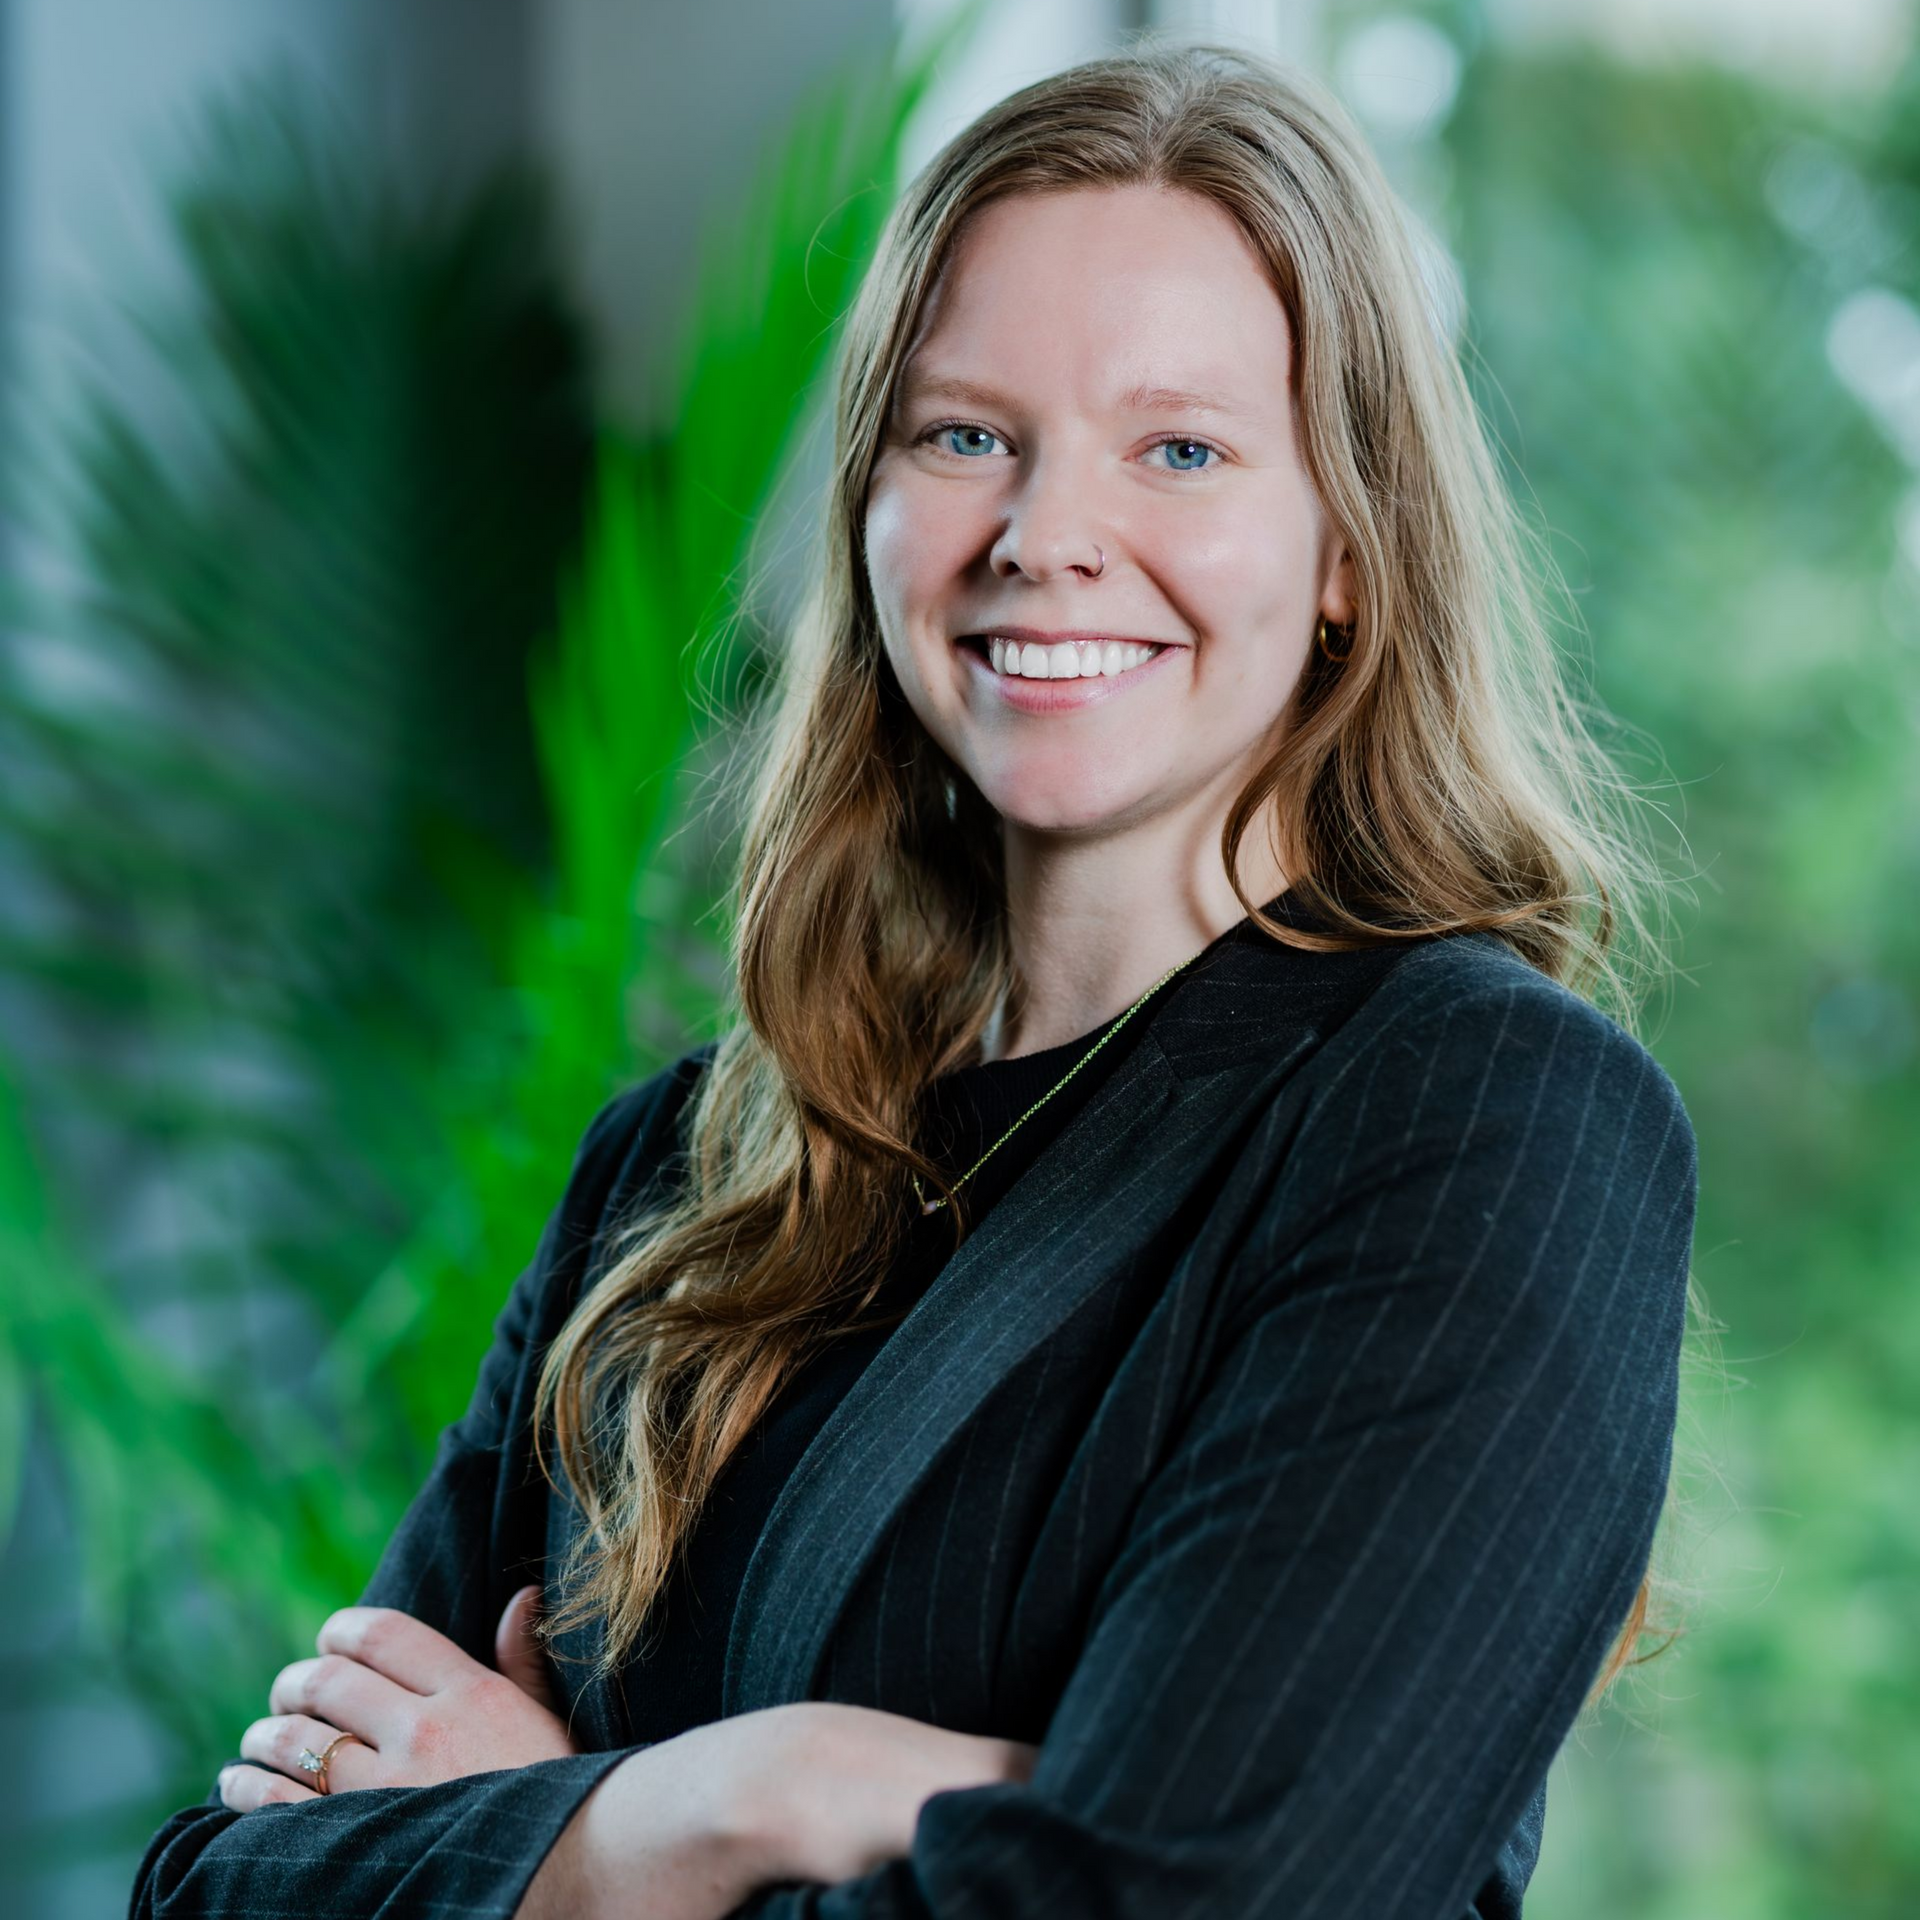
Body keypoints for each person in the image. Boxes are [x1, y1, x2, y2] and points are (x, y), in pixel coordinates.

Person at [130, 38, 1701, 1920]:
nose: (1046, 538)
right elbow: (222, 1885)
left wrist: (578, 1834)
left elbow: (1185, 1907)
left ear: (1349, 548)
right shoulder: (675, 1171)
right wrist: (732, 1801)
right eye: (964, 436)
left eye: (1180, 449)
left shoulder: (1481, 1122)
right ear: (869, 507)